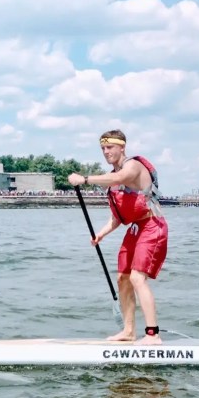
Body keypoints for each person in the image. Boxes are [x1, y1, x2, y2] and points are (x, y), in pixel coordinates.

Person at [68, 130, 168, 345]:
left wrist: (84, 179)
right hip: (134, 228)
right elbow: (117, 218)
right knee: (122, 278)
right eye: (103, 148)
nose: (106, 152)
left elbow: (120, 177)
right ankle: (129, 331)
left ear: (122, 147)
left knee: (137, 278)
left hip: (152, 225)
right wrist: (100, 235)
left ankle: (153, 335)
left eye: (110, 147)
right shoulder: (112, 179)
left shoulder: (132, 166)